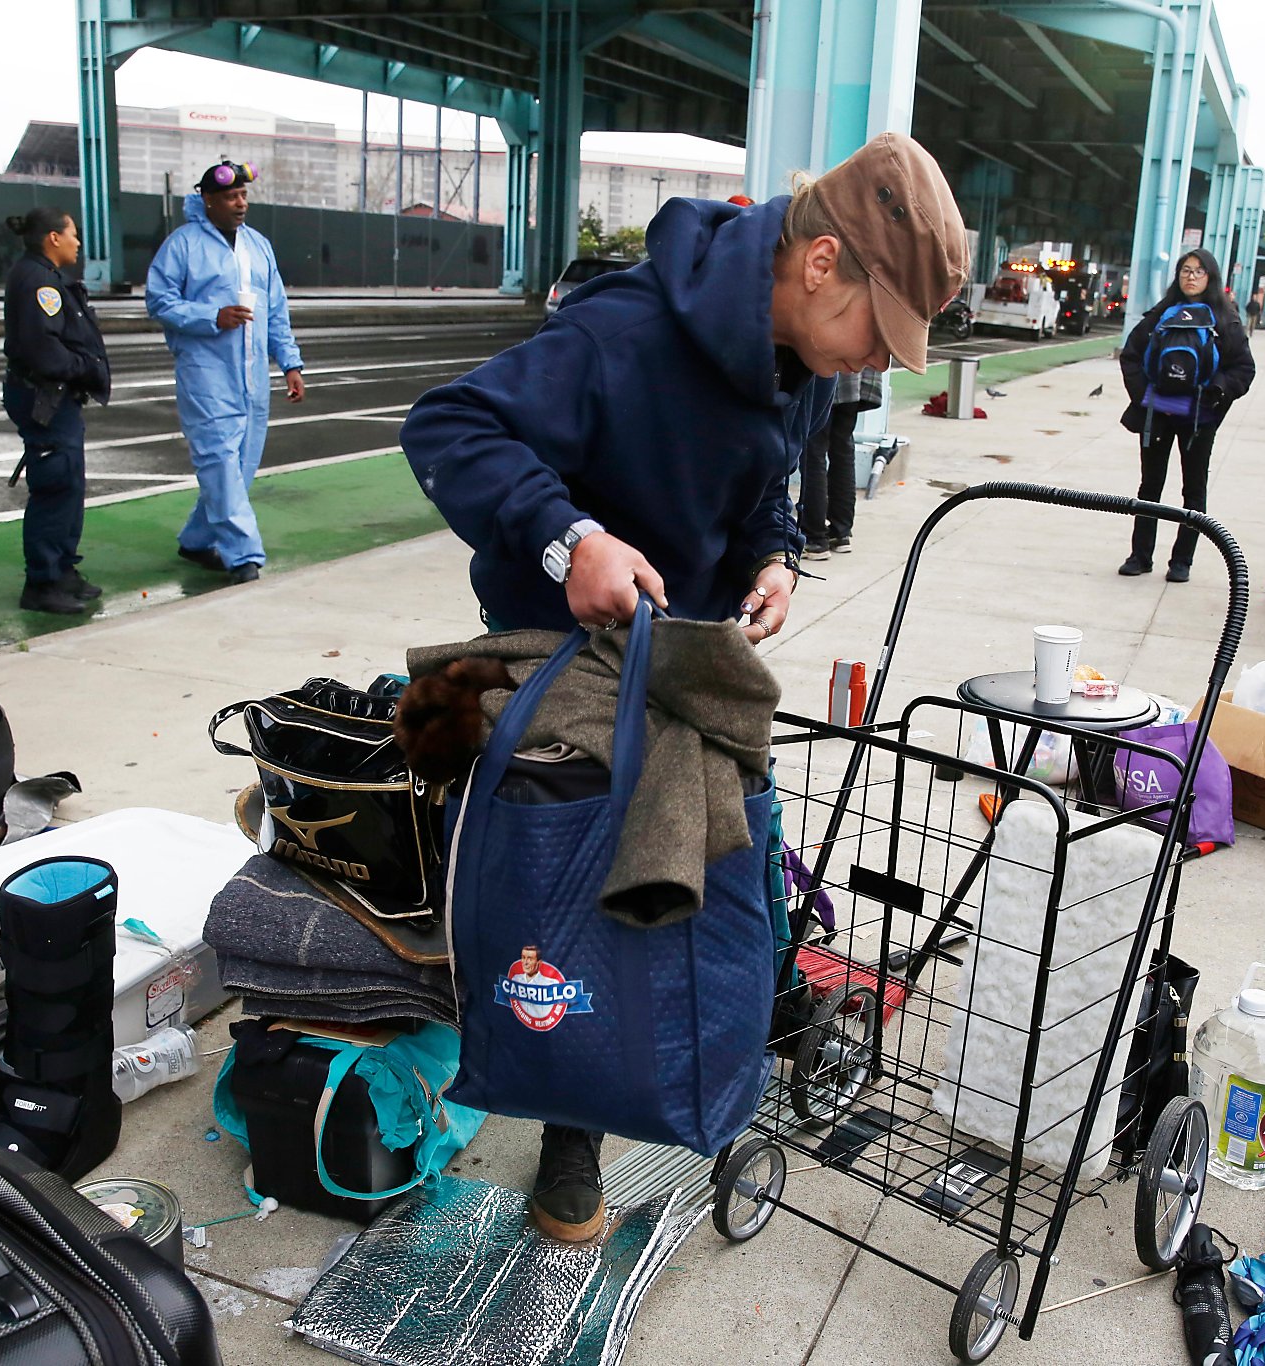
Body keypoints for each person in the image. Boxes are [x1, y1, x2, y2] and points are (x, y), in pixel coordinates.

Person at [401, 132, 966, 1241]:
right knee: (577, 892)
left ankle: (687, 1050)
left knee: (710, 874)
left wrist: (773, 554)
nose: (873, 364)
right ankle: (570, 1121)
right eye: (874, 328)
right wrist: (570, 541)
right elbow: (446, 425)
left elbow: (766, 483)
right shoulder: (620, 334)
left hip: (691, 655)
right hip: (555, 642)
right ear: (816, 265)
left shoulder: (801, 361)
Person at [146, 159, 305, 586]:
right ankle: (243, 556)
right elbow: (159, 301)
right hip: (206, 376)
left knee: (240, 466)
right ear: (208, 200)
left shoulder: (257, 246)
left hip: (252, 380)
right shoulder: (182, 246)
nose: (241, 204)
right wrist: (211, 316)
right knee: (219, 461)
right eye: (231, 197)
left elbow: (275, 310)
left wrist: (289, 362)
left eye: (244, 196)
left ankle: (197, 539)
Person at [1115, 249, 1256, 583]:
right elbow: (1131, 356)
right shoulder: (1160, 314)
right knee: (1150, 485)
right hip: (1157, 414)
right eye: (1185, 270)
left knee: (1193, 490)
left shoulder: (1226, 319)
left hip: (1199, 419)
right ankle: (1140, 556)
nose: (1191, 277)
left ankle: (1182, 561)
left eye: (1199, 271)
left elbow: (1243, 368)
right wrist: (1143, 396)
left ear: (1211, 277)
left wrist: (1217, 392)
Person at [1, 207, 111, 615]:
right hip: (43, 398)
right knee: (55, 486)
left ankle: (62, 570)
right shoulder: (38, 282)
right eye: (73, 234)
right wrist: (86, 369)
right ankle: (42, 582)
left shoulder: (45, 277)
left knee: (69, 485)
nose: (78, 242)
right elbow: (43, 350)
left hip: (58, 399)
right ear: (53, 238)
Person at [799, 365, 881, 558]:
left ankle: (815, 537)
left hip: (824, 377)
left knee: (813, 452)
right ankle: (841, 532)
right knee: (843, 448)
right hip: (853, 380)